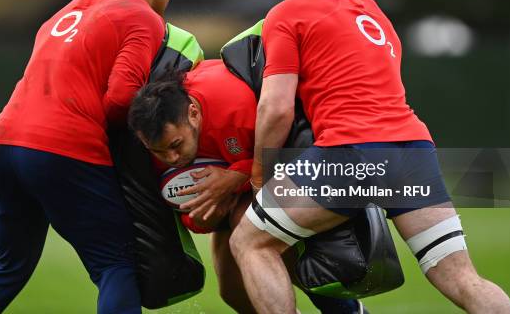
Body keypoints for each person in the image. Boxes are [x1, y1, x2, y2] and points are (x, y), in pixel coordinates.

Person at [228, 0, 510, 314]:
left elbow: (275, 108)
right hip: (414, 152)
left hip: (352, 153)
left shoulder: (286, 13)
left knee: (250, 242)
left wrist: (261, 173)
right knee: (459, 276)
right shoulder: (370, 8)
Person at [0, 0, 175, 314]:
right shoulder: (142, 16)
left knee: (8, 266)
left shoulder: (67, 9)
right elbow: (123, 98)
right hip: (62, 147)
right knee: (115, 264)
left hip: (4, 143)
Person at [128, 61, 367, 314]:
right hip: (241, 188)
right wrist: (205, 218)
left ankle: (348, 311)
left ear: (193, 114)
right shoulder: (150, 150)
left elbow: (294, 155)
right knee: (233, 291)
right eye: (159, 151)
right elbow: (195, 217)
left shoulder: (235, 106)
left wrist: (235, 177)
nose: (172, 158)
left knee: (255, 230)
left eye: (176, 145)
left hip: (285, 169)